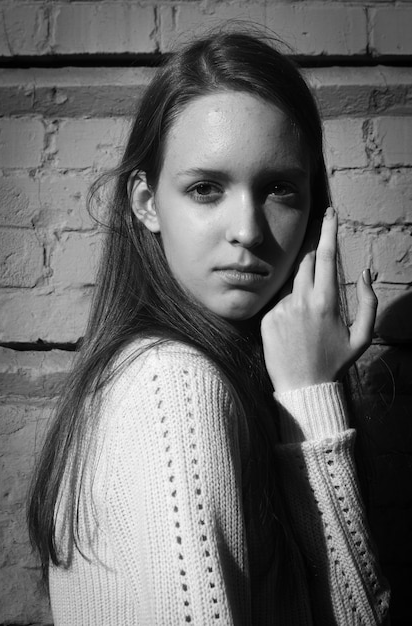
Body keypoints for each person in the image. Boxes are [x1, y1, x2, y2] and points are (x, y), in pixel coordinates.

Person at [28, 30, 390, 625]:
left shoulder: (157, 372)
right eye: (205, 188)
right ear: (146, 203)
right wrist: (312, 402)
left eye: (279, 189)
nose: (247, 229)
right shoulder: (176, 387)